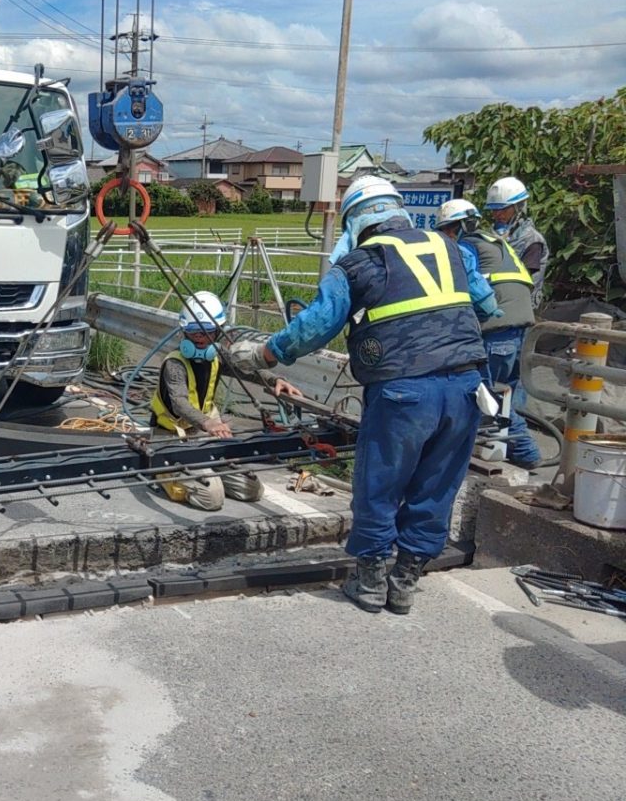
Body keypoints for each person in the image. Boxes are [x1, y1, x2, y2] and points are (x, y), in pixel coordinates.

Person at [228, 175, 487, 615]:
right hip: (466, 386)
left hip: (403, 390)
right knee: (437, 484)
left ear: (356, 222)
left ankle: (369, 581)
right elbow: (486, 302)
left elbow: (315, 326)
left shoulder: (358, 265)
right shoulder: (454, 249)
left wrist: (264, 355)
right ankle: (404, 581)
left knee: (380, 483)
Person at [149, 290, 301, 510]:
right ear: (185, 332)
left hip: (202, 435)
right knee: (212, 498)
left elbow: (245, 369)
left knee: (251, 489)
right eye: (194, 332)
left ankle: (208, 470)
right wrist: (209, 423)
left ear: (218, 332)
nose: (201, 338)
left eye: (207, 332)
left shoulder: (218, 355)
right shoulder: (175, 364)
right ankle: (163, 472)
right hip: (170, 437)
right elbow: (179, 403)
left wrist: (275, 379)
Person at [437, 199, 541, 468]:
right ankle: (504, 448)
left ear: (457, 227)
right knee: (507, 391)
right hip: (521, 324)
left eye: (448, 230)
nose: (447, 236)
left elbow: (472, 292)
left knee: (488, 392)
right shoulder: (494, 240)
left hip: (497, 326)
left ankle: (527, 452)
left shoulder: (465, 247)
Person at [485, 176, 549, 308]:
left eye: (503, 209)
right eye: (494, 210)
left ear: (518, 208)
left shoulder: (531, 240)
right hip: (496, 302)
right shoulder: (491, 235)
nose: (497, 215)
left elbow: (523, 277)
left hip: (521, 306)